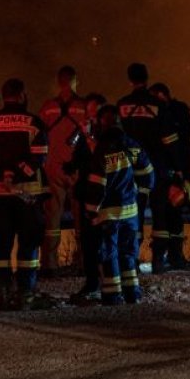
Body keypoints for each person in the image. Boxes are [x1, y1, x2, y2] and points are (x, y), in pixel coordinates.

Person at [0, 78, 49, 310]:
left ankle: (2, 294)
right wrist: (16, 175)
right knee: (28, 244)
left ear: (4, 96)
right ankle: (26, 293)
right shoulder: (33, 123)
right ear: (23, 95)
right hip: (27, 195)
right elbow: (39, 156)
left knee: (0, 247)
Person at [84, 105, 155, 305]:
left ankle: (112, 295)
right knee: (128, 253)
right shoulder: (132, 145)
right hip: (130, 212)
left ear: (102, 124)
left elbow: (97, 186)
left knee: (110, 253)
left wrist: (90, 211)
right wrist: (137, 195)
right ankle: (133, 293)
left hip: (108, 215)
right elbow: (149, 176)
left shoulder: (102, 150)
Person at [117, 63, 182, 273]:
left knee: (132, 215)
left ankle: (131, 261)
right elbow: (170, 140)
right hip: (157, 167)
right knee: (160, 214)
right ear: (147, 78)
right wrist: (178, 169)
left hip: (131, 169)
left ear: (129, 79)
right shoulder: (159, 106)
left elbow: (118, 139)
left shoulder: (122, 106)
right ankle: (158, 262)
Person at [39, 66, 88, 277]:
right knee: (83, 218)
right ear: (75, 81)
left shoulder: (48, 107)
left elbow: (39, 136)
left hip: (53, 169)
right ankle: (85, 262)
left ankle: (49, 264)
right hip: (78, 168)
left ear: (59, 82)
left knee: (52, 220)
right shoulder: (84, 106)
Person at [64, 92, 107, 304]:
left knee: (104, 241)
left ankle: (109, 284)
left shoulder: (109, 134)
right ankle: (91, 283)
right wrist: (71, 166)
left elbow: (100, 155)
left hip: (103, 196)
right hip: (85, 191)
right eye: (87, 112)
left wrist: (88, 135)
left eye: (93, 113)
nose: (89, 117)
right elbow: (79, 155)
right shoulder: (84, 133)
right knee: (88, 242)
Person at [150, 82, 190, 268]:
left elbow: (176, 144)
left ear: (161, 95)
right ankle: (173, 257)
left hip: (168, 171)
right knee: (172, 214)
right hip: (176, 171)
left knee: (165, 214)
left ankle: (164, 258)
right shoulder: (179, 112)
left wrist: (180, 172)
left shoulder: (169, 113)